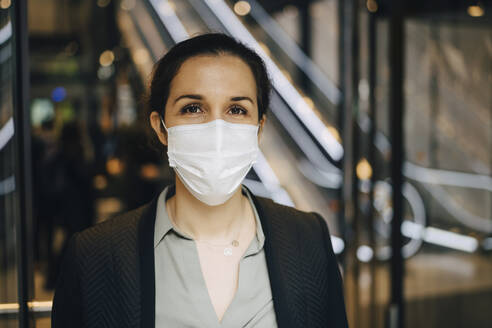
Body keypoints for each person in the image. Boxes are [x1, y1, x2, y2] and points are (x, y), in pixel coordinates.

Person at [52, 33, 348, 328]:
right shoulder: (96, 254)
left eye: (237, 109)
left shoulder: (307, 238)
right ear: (161, 128)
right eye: (193, 108)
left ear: (258, 129)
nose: (217, 129)